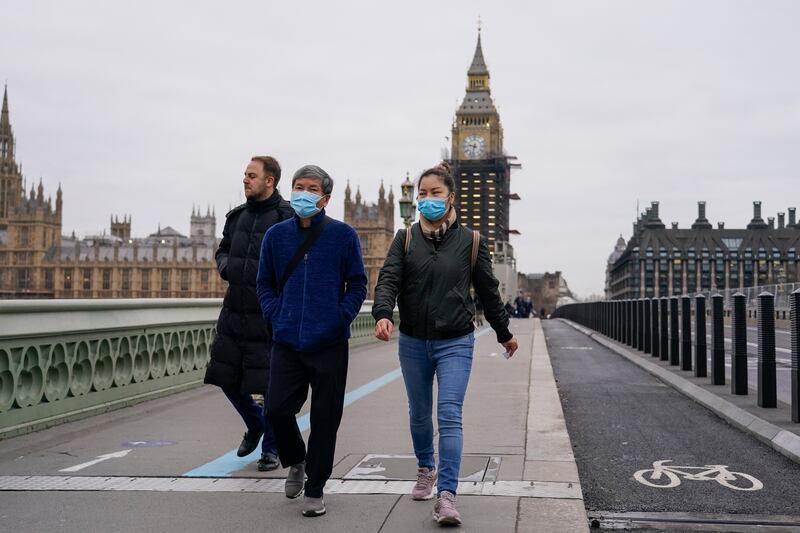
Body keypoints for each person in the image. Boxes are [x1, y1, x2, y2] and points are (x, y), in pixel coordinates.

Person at [372, 162, 518, 527]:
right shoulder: (404, 239)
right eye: (422, 194)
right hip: (413, 341)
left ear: (451, 197)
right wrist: (382, 312)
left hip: (455, 340)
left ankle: (447, 496)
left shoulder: (472, 242)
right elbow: (388, 278)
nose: (427, 199)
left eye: (435, 193)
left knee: (449, 414)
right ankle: (426, 468)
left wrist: (503, 332)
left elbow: (488, 290)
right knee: (419, 413)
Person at [256, 164, 367, 518]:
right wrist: (277, 314)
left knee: (325, 418)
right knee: (275, 409)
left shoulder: (343, 235)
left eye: (311, 188)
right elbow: (264, 284)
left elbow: (358, 285)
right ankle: (296, 460)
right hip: (287, 339)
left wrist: (338, 319)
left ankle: (315, 487)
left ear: (325, 198)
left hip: (329, 342)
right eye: (298, 186)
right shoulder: (276, 236)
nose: (303, 193)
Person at [204, 156, 293, 472]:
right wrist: (227, 267)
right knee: (224, 375)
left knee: (271, 385)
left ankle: (270, 449)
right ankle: (255, 424)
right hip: (235, 311)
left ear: (269, 181)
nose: (245, 179)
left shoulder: (287, 217)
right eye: (244, 174)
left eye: (251, 175)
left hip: (269, 315)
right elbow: (223, 250)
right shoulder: (236, 217)